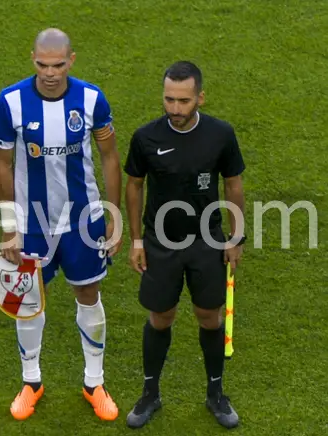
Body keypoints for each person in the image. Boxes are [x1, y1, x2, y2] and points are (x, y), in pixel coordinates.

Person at [0, 28, 122, 422]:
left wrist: (113, 217)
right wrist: (10, 226)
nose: (50, 73)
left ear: (72, 60)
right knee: (28, 301)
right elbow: (5, 164)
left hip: (83, 220)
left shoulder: (91, 99)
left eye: (58, 65)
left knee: (88, 293)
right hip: (31, 223)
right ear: (32, 58)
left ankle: (94, 382)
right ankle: (31, 382)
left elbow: (110, 158)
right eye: (42, 65)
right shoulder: (10, 102)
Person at [123, 61, 245, 429]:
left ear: (200, 98)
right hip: (160, 243)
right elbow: (134, 185)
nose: (175, 109)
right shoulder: (146, 137)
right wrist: (137, 240)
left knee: (209, 316)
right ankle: (150, 394)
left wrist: (236, 237)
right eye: (169, 100)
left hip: (207, 242)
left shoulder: (221, 135)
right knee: (161, 317)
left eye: (183, 101)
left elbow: (233, 184)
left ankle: (215, 394)